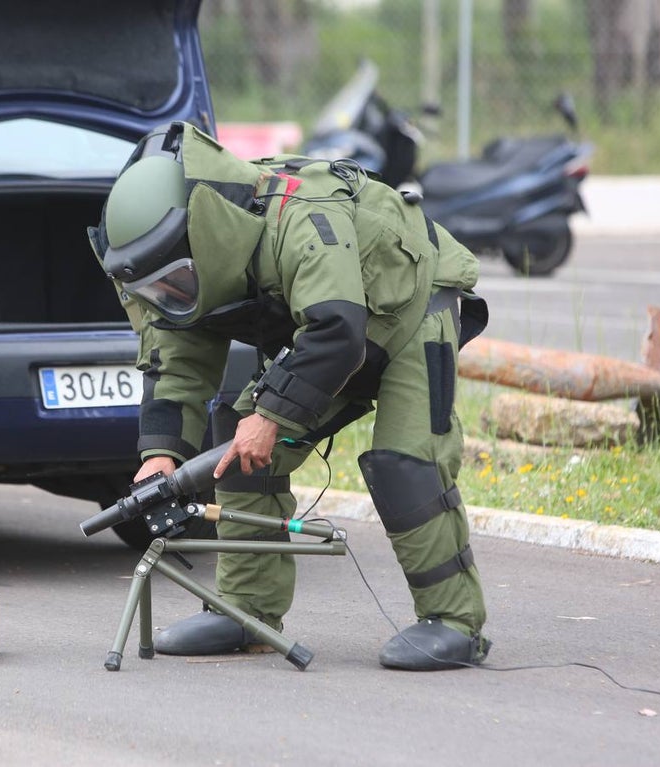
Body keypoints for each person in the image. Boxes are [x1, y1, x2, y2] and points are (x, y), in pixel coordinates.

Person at [88, 121, 491, 670]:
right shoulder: (182, 272)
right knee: (239, 452)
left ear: (205, 235)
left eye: (176, 277)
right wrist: (161, 453)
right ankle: (245, 611)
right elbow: (175, 363)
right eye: (160, 285)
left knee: (406, 461)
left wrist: (272, 414)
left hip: (412, 306)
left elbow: (335, 330)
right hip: (339, 330)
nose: (171, 293)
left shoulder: (302, 220)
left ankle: (453, 623)